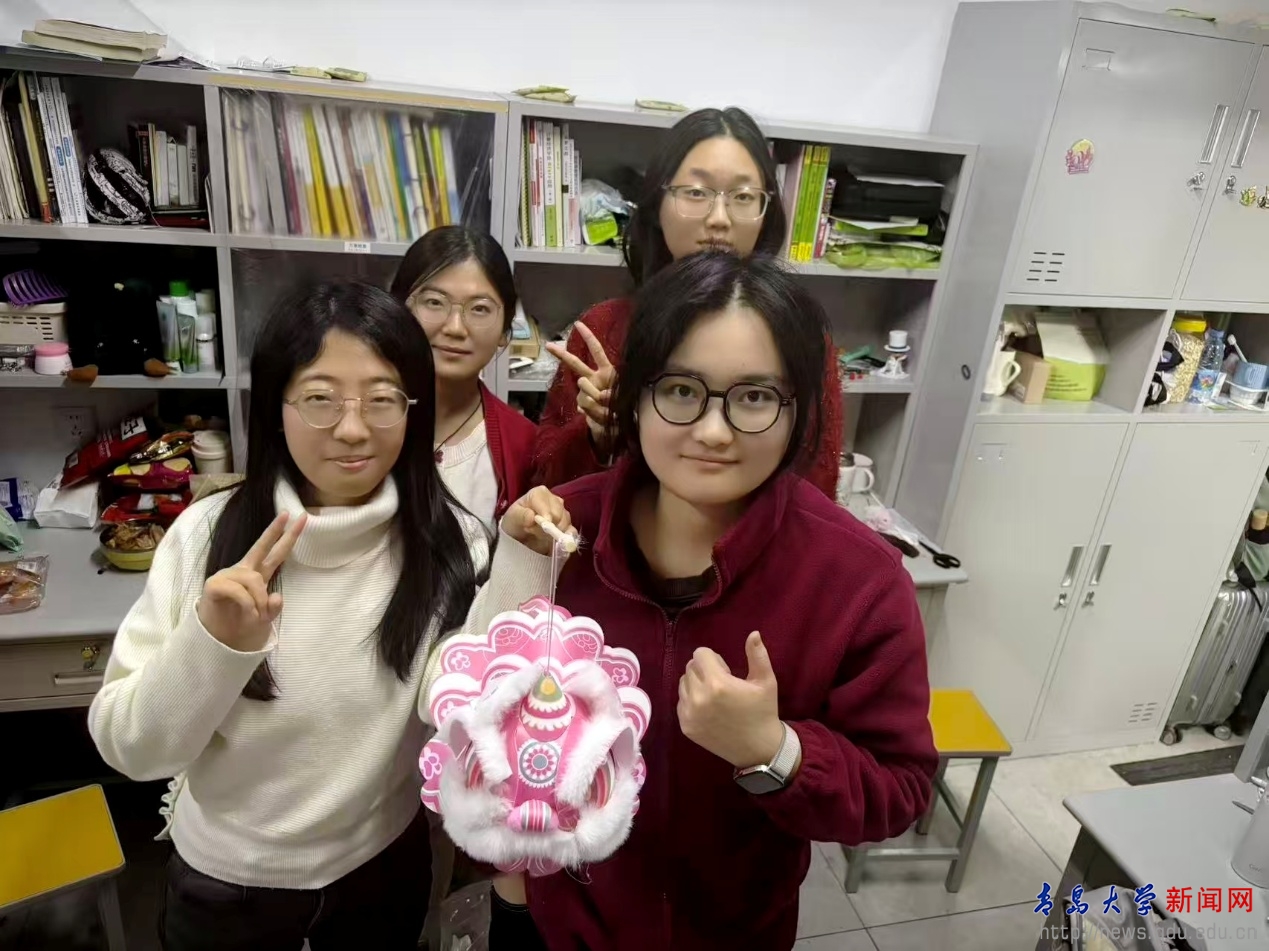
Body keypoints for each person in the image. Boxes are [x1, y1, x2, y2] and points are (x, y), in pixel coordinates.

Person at [88, 281, 569, 951]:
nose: (352, 428)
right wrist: (213, 644)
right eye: (320, 398)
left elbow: (457, 699)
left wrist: (522, 557)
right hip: (229, 885)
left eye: (382, 399)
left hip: (383, 869)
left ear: (414, 408)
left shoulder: (448, 541)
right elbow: (132, 751)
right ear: (276, 408)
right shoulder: (207, 537)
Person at [488, 252, 936, 950]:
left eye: (754, 397)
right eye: (680, 390)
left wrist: (775, 751)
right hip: (568, 923)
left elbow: (900, 789)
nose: (714, 431)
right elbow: (478, 713)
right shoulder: (556, 534)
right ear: (635, 395)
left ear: (798, 411)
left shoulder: (859, 579)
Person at [530, 107, 843, 498]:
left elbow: (815, 493)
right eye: (696, 193)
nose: (719, 218)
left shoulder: (801, 338)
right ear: (657, 206)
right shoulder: (604, 331)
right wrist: (597, 435)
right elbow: (547, 489)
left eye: (744, 196)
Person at [389, 225, 536, 530]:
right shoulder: (357, 421)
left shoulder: (524, 446)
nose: (455, 327)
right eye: (434, 302)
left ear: (505, 331)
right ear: (398, 309)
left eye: (480, 309)